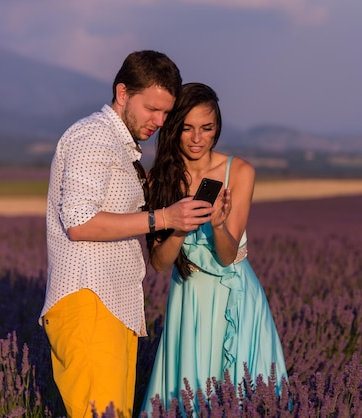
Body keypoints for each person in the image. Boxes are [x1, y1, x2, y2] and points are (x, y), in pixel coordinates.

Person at [39, 51, 215, 418]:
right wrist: (163, 216)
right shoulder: (93, 137)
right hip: (88, 300)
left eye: (167, 114)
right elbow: (80, 223)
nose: (160, 121)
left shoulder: (121, 146)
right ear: (122, 93)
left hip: (112, 305)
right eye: (152, 109)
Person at [140, 82, 288, 414]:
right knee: (189, 392)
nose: (197, 138)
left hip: (232, 293)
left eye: (207, 128)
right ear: (173, 128)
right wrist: (179, 228)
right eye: (188, 128)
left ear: (217, 128)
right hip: (188, 297)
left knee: (242, 392)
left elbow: (226, 256)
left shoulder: (240, 172)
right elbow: (160, 263)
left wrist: (218, 224)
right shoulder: (157, 180)